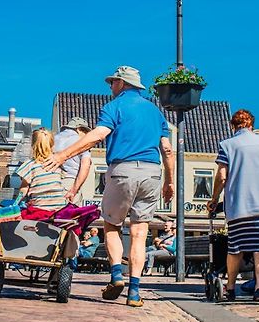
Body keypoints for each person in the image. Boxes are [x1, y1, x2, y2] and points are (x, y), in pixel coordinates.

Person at [43, 65, 175, 307]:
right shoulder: (156, 112)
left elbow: (98, 135)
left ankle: (116, 274)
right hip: (152, 173)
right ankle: (134, 292)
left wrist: (63, 155)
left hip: (123, 170)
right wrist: (169, 182)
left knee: (111, 225)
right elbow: (167, 149)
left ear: (122, 84)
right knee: (139, 233)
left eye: (112, 82)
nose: (109, 86)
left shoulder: (114, 107)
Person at [207, 109, 259, 302]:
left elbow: (222, 176)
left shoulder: (227, 145)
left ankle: (231, 288)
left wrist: (214, 198)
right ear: (252, 125)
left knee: (236, 248)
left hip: (241, 207)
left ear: (233, 126)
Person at [15, 127, 66, 212]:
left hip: (40, 208)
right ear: (52, 144)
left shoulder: (30, 164)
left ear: (33, 145)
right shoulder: (57, 163)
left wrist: (15, 203)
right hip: (59, 208)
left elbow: (24, 189)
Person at [54, 117, 92, 205]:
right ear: (79, 129)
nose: (86, 136)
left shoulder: (53, 139)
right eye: (85, 132)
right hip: (70, 183)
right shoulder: (82, 142)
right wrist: (74, 190)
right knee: (69, 215)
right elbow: (85, 166)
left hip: (51, 182)